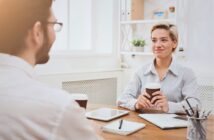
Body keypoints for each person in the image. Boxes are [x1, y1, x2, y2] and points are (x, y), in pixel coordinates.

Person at [0, 0, 100, 139]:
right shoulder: (59, 108)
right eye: (54, 25)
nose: (54, 33)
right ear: (37, 32)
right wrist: (94, 133)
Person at [117, 22, 199, 113]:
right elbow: (122, 99)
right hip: (145, 123)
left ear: (174, 43)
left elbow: (195, 104)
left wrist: (169, 106)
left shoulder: (186, 73)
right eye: (154, 40)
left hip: (172, 125)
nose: (157, 45)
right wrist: (136, 103)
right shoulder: (141, 71)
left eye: (163, 40)